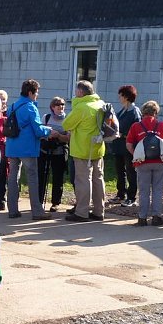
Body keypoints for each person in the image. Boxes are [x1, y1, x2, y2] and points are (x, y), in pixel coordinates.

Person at [5, 79, 54, 220]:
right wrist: (49, 131)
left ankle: (12, 210)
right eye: (36, 93)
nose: (37, 95)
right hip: (27, 148)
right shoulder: (31, 107)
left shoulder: (12, 106)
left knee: (13, 178)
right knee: (32, 178)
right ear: (31, 92)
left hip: (12, 147)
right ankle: (37, 211)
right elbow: (38, 130)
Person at [62, 80, 109, 222]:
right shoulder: (101, 104)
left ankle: (82, 212)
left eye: (76, 91)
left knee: (83, 180)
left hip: (82, 148)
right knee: (98, 179)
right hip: (98, 147)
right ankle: (99, 211)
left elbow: (66, 124)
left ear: (81, 92)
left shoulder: (82, 107)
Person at [126, 101, 163, 226]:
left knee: (144, 190)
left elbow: (129, 144)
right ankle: (157, 217)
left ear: (143, 112)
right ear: (156, 112)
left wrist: (136, 156)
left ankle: (142, 218)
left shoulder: (136, 126)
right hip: (160, 162)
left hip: (143, 162)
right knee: (158, 190)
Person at [38, 97, 70, 213]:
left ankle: (56, 202)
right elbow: (40, 133)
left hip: (60, 152)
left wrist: (58, 136)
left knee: (58, 177)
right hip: (45, 151)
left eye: (62, 105)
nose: (60, 107)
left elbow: (68, 138)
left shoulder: (67, 119)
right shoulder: (46, 117)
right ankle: (39, 201)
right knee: (42, 176)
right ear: (52, 107)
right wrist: (48, 135)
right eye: (58, 105)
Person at [112, 85, 141, 207]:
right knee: (120, 170)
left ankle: (131, 197)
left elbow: (137, 128)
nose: (119, 97)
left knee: (130, 171)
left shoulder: (134, 111)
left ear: (127, 96)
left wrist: (124, 134)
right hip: (118, 145)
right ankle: (121, 193)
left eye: (121, 95)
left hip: (128, 145)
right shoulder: (122, 110)